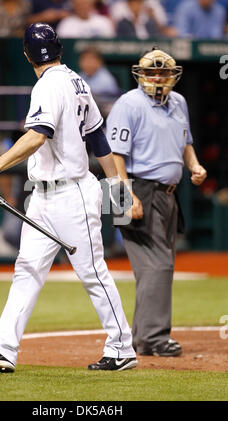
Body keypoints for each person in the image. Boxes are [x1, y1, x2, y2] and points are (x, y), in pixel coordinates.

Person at [0, 23, 137, 373]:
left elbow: (38, 136)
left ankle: (122, 348)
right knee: (26, 270)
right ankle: (4, 347)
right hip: (42, 196)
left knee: (92, 273)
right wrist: (116, 185)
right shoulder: (77, 81)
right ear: (59, 49)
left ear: (27, 55)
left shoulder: (48, 86)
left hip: (71, 193)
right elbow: (99, 139)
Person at [106, 47, 207, 357]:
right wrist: (126, 196)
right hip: (134, 188)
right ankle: (153, 339)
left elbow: (185, 142)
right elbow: (114, 156)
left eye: (164, 71)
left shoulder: (179, 102)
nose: (159, 77)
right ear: (141, 74)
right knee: (157, 266)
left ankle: (143, 337)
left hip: (166, 195)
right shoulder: (129, 103)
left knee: (158, 268)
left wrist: (194, 165)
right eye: (153, 71)